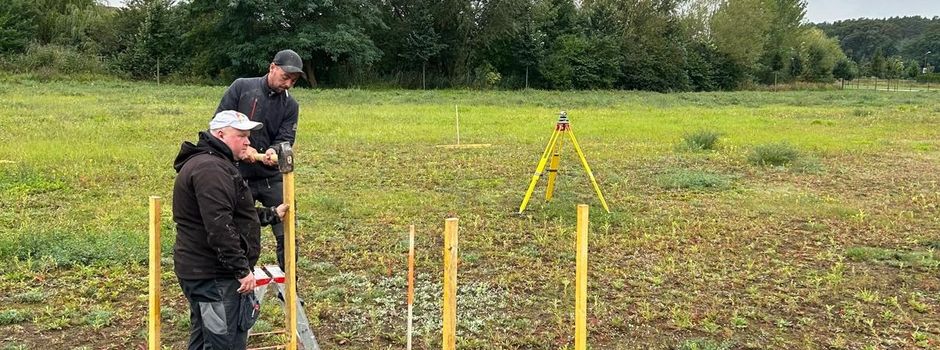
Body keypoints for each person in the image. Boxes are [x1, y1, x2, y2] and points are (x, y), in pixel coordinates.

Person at [173, 110, 288, 349]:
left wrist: (270, 214)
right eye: (241, 135)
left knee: (206, 339)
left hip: (205, 272)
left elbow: (232, 214)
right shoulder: (211, 170)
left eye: (248, 135)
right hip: (214, 276)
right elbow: (219, 226)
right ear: (220, 134)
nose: (248, 141)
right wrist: (241, 270)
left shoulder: (214, 164)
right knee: (224, 342)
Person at [216, 49, 303, 272]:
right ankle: (241, 278)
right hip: (238, 174)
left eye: (293, 81)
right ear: (272, 67)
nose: (288, 84)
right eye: (285, 77)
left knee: (287, 230)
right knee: (241, 227)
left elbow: (285, 138)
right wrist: (242, 149)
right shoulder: (242, 87)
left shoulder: (290, 106)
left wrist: (274, 152)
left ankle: (290, 287)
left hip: (270, 177)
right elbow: (219, 124)